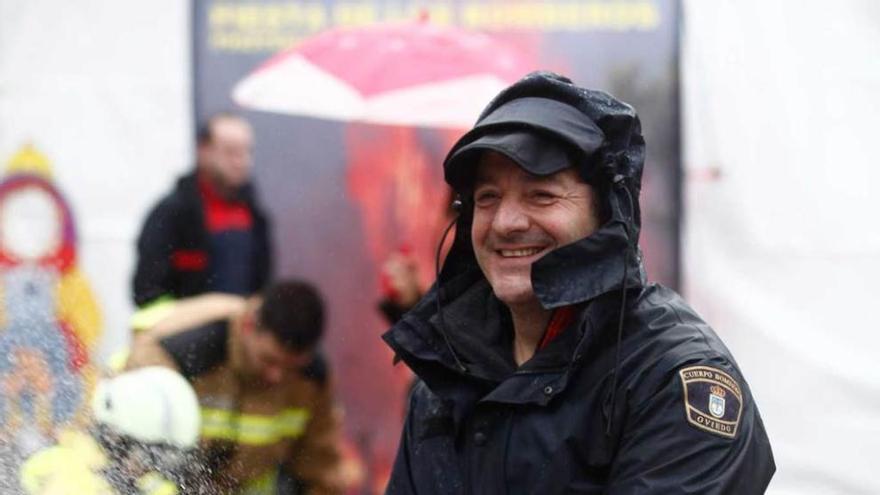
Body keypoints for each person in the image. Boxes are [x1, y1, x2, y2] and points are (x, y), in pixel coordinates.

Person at [382, 71, 775, 493]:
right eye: (488, 197)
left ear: (606, 215)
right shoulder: (444, 383)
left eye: (542, 195)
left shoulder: (670, 378)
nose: (506, 223)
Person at [125, 280, 347, 494]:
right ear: (249, 325)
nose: (276, 376)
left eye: (290, 367)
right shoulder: (187, 352)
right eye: (269, 360)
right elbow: (132, 456)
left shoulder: (312, 380)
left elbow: (320, 466)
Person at [132, 112, 272, 307]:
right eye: (231, 152)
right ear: (203, 151)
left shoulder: (255, 215)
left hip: (241, 333)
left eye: (246, 152)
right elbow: (147, 291)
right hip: (186, 332)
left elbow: (263, 285)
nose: (241, 162)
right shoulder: (171, 214)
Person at [20, 366, 201, 495]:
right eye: (149, 456)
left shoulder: (154, 487)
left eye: (163, 459)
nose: (152, 468)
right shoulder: (66, 477)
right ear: (113, 439)